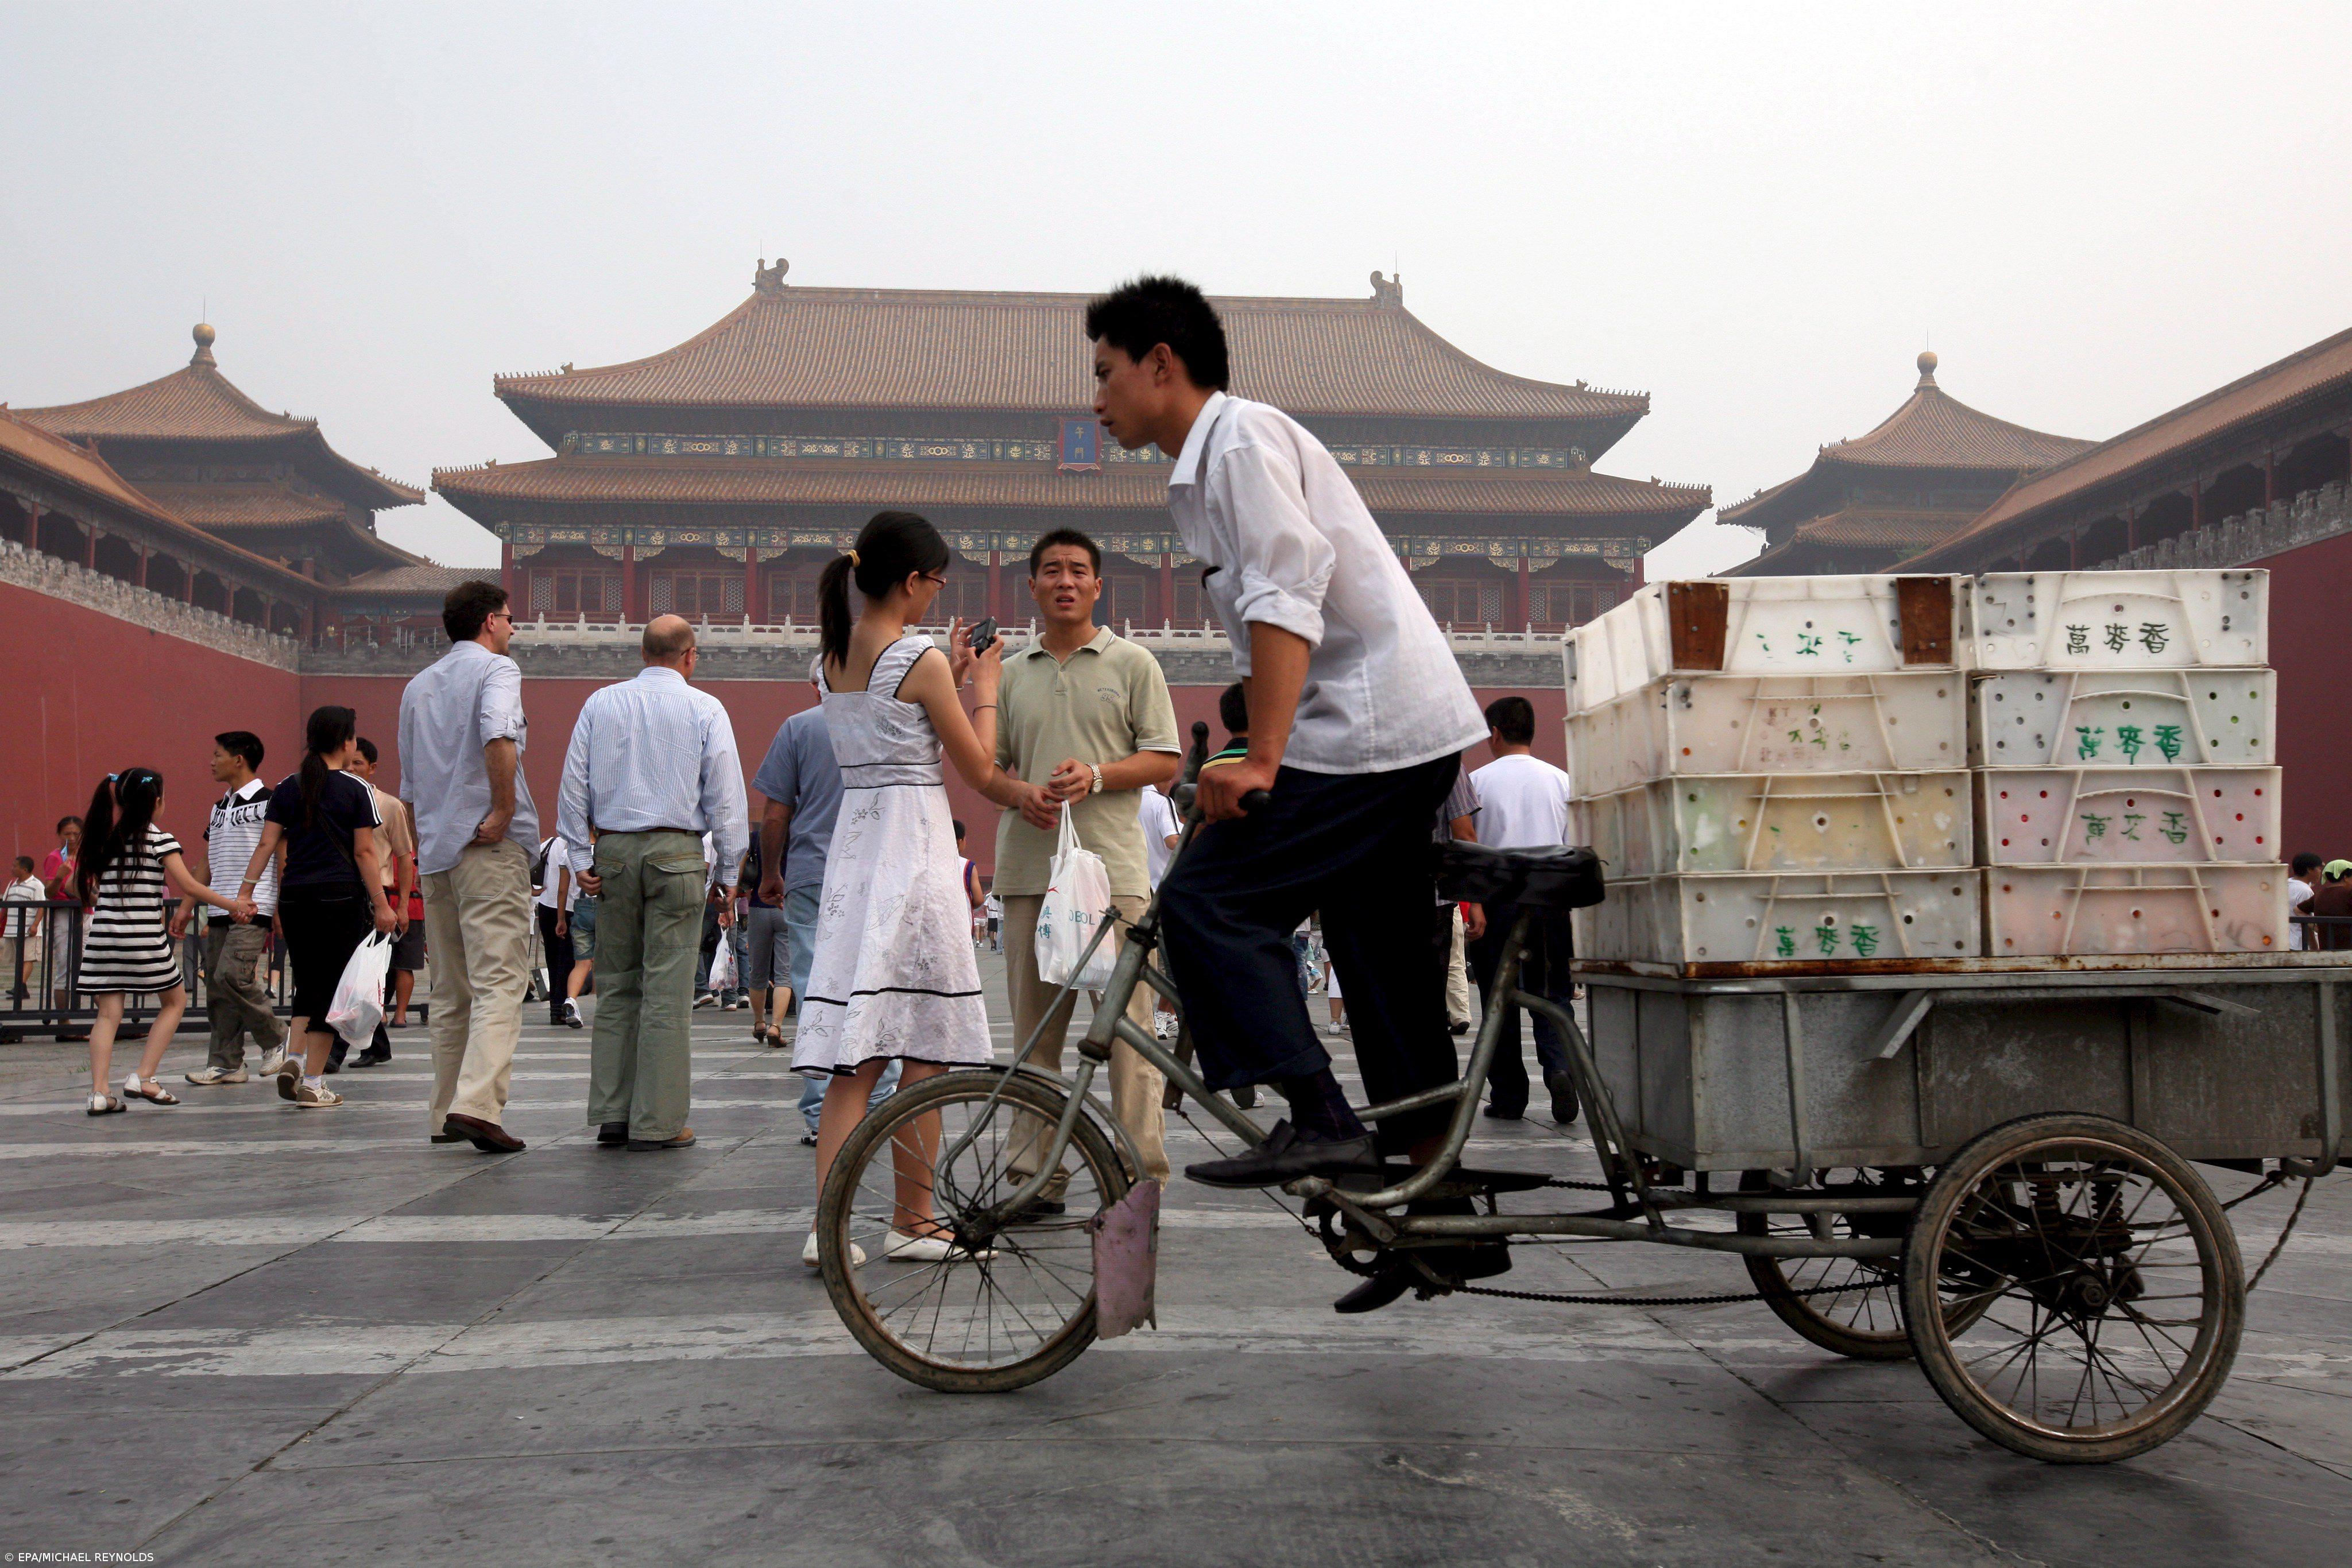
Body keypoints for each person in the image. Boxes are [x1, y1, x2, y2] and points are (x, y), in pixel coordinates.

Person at [1089, 275, 1488, 1203]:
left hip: (1371, 725)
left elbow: (1285, 594)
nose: (1096, 400)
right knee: (1378, 955)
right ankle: (1433, 1206)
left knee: (1206, 903)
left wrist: (1260, 758)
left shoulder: (1239, 442)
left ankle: (1319, 1118)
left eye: (1106, 374)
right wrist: (1258, 747)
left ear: (1161, 363)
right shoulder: (1209, 462)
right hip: (1385, 727)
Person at [795, 509, 1024, 1265]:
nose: (936, 597)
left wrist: (949, 678)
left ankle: (827, 1228)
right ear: (912, 579)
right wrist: (984, 684)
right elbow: (983, 769)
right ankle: (913, 1218)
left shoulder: (828, 656)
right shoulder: (919, 657)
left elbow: (892, 722)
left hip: (856, 856)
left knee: (852, 1060)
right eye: (935, 582)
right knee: (922, 1046)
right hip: (914, 852)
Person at [992, 528, 1183, 1202]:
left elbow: (1165, 760)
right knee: (1035, 1035)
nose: (1065, 581)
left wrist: (1097, 775)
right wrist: (1023, 793)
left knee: (1128, 1034)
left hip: (1114, 877)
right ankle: (1031, 1175)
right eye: (1051, 571)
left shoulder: (1133, 663)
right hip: (1028, 873)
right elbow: (988, 766)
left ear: (1098, 585)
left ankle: (1140, 1176)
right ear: (1034, 586)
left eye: (1078, 570)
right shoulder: (1011, 673)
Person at [558, 614, 748, 1153]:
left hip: (613, 851)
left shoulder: (600, 703)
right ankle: (659, 1122)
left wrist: (578, 855)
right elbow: (727, 799)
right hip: (678, 852)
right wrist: (729, 873)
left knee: (616, 984)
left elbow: (574, 784)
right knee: (667, 991)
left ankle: (613, 1115)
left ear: (643, 654)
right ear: (690, 656)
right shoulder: (706, 708)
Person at [399, 580, 539, 1152]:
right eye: (509, 619)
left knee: (452, 989)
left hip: (435, 850)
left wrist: (425, 840)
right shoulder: (498, 672)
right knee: (502, 978)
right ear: (488, 621)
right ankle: (478, 1104)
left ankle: (443, 1110)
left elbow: (408, 783)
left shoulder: (417, 686)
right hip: (486, 845)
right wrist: (503, 809)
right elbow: (499, 734)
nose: (512, 628)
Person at [753, 673, 895, 1146]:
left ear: (818, 686)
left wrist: (772, 872)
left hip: (814, 874)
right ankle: (881, 1102)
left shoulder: (798, 727)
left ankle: (822, 1114)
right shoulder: (889, 724)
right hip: (878, 872)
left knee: (817, 990)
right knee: (878, 985)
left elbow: (775, 814)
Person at [237, 710, 396, 1110]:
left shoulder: (287, 787)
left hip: (294, 896)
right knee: (333, 989)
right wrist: (382, 904)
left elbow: (267, 845)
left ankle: (293, 1058)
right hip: (339, 897)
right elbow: (364, 852)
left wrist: (246, 892)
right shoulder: (356, 789)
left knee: (307, 981)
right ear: (345, 742)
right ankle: (312, 1082)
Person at [74, 769, 249, 1114]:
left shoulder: (106, 839)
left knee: (108, 1015)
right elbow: (191, 886)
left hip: (104, 939)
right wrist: (234, 905)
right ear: (157, 801)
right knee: (175, 1002)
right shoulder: (159, 839)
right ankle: (145, 1076)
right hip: (143, 939)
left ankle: (98, 1093)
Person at [1467, 695, 1578, 1124]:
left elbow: (1468, 845)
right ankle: (1561, 1069)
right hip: (1550, 900)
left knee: (1499, 999)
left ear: (1494, 733)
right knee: (1553, 993)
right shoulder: (1561, 780)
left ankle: (1510, 1096)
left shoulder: (1477, 781)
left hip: (1497, 902)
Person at [184, 731, 285, 1086]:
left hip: (256, 905)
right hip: (219, 907)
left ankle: (277, 1038)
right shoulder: (219, 807)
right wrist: (186, 905)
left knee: (232, 975)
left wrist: (280, 907)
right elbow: (206, 862)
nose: (211, 762)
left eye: (217, 755)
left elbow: (282, 856)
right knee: (217, 988)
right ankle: (227, 1062)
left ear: (239, 759)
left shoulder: (271, 802)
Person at [341, 737, 415, 1070]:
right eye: (347, 763)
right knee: (351, 975)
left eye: (358, 763)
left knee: (364, 975)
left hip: (378, 898)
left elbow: (404, 856)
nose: (351, 769)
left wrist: (400, 908)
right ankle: (375, 1044)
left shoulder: (389, 806)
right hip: (344, 892)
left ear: (372, 768)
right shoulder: (337, 799)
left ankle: (339, 1051)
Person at [1138, 782, 1183, 1037]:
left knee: (1143, 961)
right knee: (1175, 961)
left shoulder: (1127, 800)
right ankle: (1162, 1016)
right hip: (1162, 891)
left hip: (1134, 889)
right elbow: (1172, 841)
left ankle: (1159, 1016)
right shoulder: (1160, 802)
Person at [740, 833, 787, 1047]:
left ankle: (759, 1023)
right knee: (784, 973)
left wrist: (740, 891)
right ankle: (776, 1027)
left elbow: (743, 863)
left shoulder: (758, 836)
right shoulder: (800, 833)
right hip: (787, 906)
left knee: (757, 969)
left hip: (758, 907)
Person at [533, 834, 581, 1028]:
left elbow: (527, 863)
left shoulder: (549, 843)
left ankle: (555, 1009)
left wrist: (533, 890)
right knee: (568, 959)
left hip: (546, 905)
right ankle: (562, 1005)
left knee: (552, 959)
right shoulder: (579, 846)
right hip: (569, 907)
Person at [40, 815, 82, 1030]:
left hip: (88, 913)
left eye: (76, 834)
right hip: (65, 915)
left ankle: (114, 1022)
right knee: (66, 967)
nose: (72, 838)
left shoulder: (87, 857)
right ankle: (64, 1024)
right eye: (68, 834)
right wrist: (59, 877)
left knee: (91, 967)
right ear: (60, 835)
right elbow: (49, 892)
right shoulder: (56, 858)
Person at [4, 855, 41, 1003]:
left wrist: (35, 925)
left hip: (28, 930)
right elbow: (6, 906)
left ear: (24, 869)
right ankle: (22, 989)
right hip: (12, 929)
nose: (12, 869)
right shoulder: (12, 884)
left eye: (15, 866)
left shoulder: (37, 885)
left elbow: (41, 907)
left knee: (28, 958)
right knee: (18, 959)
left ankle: (19, 987)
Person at [2310, 860, 2352, 953]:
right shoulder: (2349, 893)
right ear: (2345, 877)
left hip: (2326, 949)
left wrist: (2313, 925)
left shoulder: (2320, 894)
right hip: (2349, 949)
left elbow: (2298, 910)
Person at [2289, 852, 2322, 951]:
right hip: (2300, 945)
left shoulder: (2286, 884)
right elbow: (2308, 924)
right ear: (2309, 870)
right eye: (2319, 868)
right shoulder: (2305, 891)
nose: (2320, 872)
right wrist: (2314, 948)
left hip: (2287, 942)